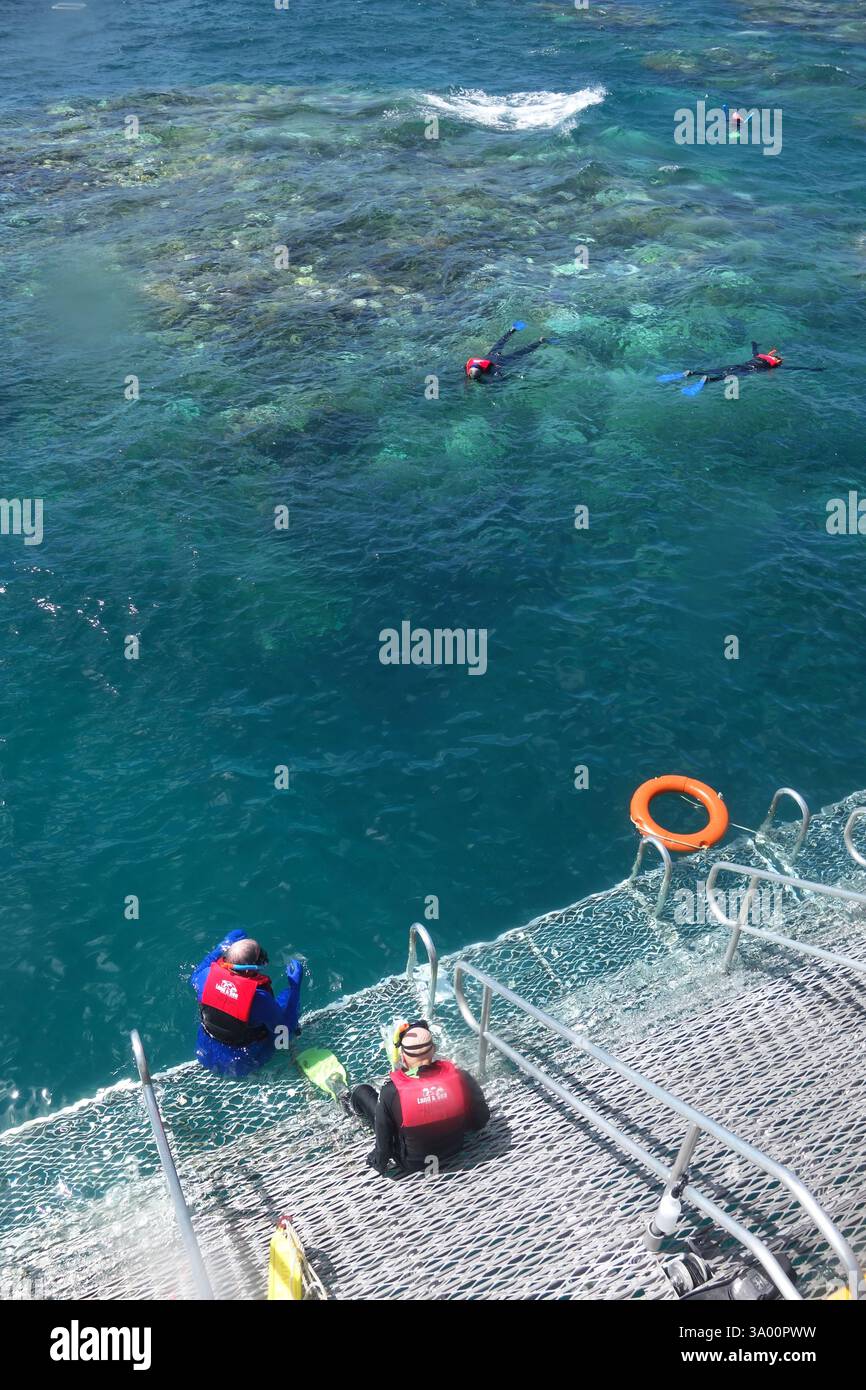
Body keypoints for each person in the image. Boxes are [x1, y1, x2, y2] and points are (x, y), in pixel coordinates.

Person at [341, 1020, 490, 1175]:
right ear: (434, 1050)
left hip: (413, 1163)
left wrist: (377, 1162)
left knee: (362, 1092)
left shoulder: (391, 1091)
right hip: (456, 1148)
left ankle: (347, 1105)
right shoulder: (460, 1077)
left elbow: (384, 1147)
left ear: (403, 1057)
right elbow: (482, 1119)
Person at [190, 929, 303, 1077]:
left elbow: (196, 973)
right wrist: (295, 987)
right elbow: (283, 1032)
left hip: (205, 1051)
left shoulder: (204, 976)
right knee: (286, 998)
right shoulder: (258, 999)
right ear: (250, 970)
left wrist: (221, 947)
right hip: (242, 1063)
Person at [658, 343, 824, 393]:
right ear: (777, 362)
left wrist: (754, 344)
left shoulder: (758, 356)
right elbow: (794, 368)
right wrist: (812, 370)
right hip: (747, 371)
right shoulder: (773, 366)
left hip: (740, 365)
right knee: (726, 378)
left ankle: (691, 373)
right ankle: (708, 381)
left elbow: (755, 351)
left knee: (717, 370)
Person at [465, 321, 547, 380]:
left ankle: (540, 342)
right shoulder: (470, 362)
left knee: (521, 353)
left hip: (499, 360)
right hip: (491, 355)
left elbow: (499, 374)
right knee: (500, 343)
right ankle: (512, 330)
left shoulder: (488, 369)